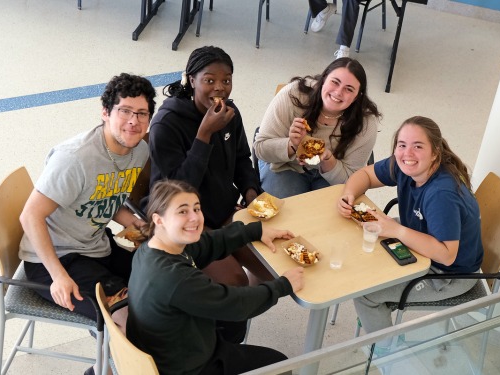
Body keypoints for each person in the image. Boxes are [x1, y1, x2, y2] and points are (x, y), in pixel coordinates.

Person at [19, 73, 155, 337]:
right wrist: (58, 276)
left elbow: (106, 197)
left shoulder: (139, 151)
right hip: (52, 259)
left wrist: (135, 224)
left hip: (95, 246)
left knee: (158, 279)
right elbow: (29, 216)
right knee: (127, 313)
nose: (133, 121)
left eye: (142, 113)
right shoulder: (74, 159)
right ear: (105, 112)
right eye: (125, 111)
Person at [337, 116, 484, 353]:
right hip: (418, 234)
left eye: (418, 146)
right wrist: (349, 195)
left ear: (435, 152)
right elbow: (365, 175)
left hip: (450, 273)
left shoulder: (441, 194)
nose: (408, 153)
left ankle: (387, 355)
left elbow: (446, 255)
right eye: (402, 144)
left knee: (365, 295)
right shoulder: (402, 163)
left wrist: (396, 230)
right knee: (361, 236)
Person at [127, 179, 304, 375]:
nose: (195, 218)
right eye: (182, 211)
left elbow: (206, 244)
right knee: (280, 366)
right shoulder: (175, 279)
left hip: (170, 347)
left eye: (197, 208)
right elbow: (236, 304)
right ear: (159, 219)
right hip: (189, 367)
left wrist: (255, 231)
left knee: (232, 325)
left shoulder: (151, 248)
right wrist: (283, 285)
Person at [148, 46, 269, 290]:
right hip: (183, 218)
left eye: (226, 80)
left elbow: (242, 158)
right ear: (192, 81)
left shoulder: (229, 114)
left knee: (270, 266)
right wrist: (204, 134)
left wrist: (250, 191)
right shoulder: (166, 124)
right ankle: (228, 314)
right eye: (209, 80)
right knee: (235, 280)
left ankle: (244, 306)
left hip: (221, 210)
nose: (219, 87)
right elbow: (178, 191)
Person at [254, 57, 380, 199]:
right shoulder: (293, 94)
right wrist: (293, 145)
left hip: (332, 175)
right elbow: (261, 149)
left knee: (328, 217)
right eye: (335, 82)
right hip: (284, 164)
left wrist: (328, 160)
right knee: (288, 215)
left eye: (349, 89)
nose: (338, 92)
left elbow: (352, 181)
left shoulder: (366, 123)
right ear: (324, 78)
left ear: (358, 96)